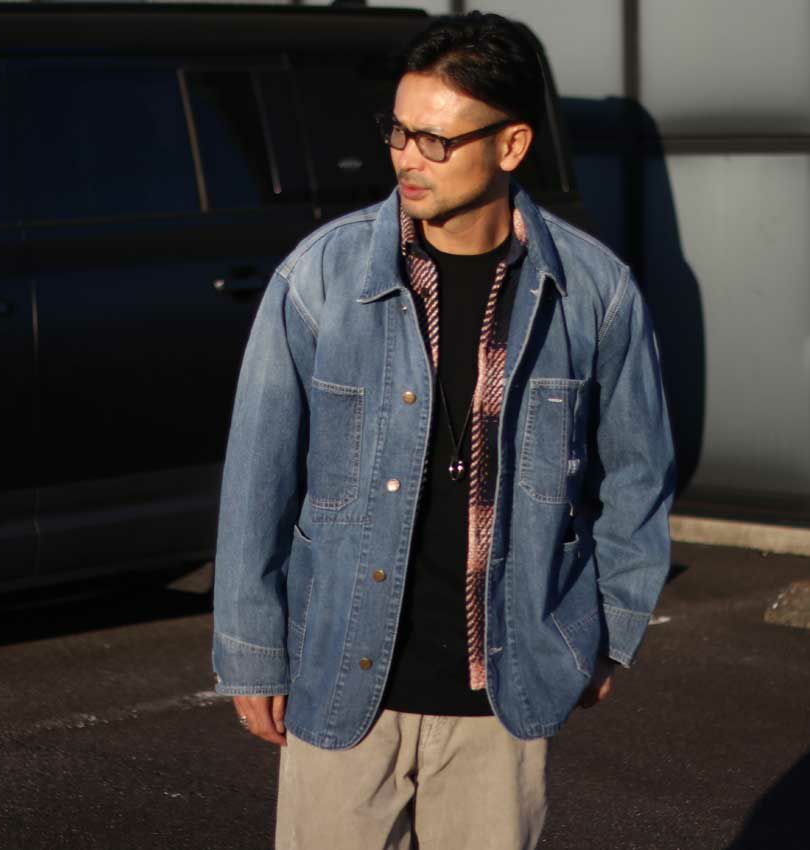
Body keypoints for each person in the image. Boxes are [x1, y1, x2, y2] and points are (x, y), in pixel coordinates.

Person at [212, 11, 675, 850]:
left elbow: (639, 474)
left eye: (436, 140)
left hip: (506, 699)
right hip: (342, 682)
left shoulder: (594, 293)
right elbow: (257, 479)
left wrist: (607, 630)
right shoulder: (320, 277)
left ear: (511, 144)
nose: (406, 158)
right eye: (398, 131)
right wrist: (251, 652)